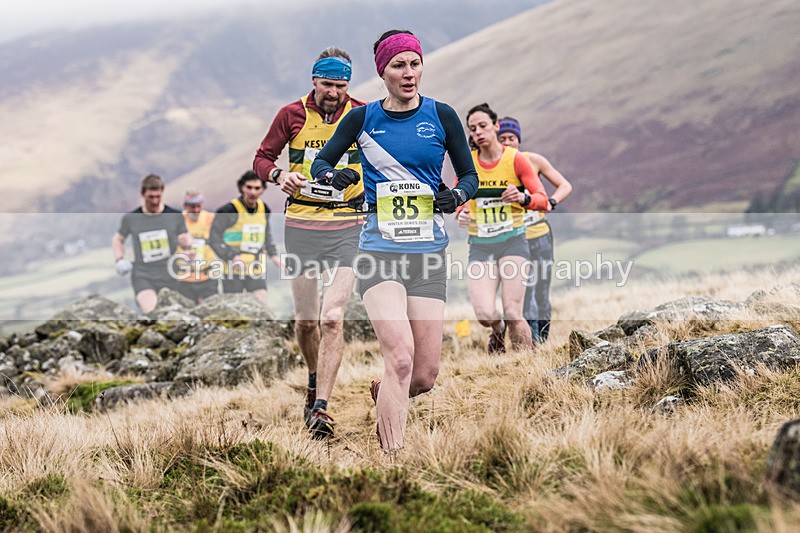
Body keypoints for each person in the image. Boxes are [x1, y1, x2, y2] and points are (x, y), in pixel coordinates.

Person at [310, 29, 479, 451]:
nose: (408, 73)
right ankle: (392, 461)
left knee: (422, 376)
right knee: (400, 359)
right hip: (379, 254)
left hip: (428, 256)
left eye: (414, 64)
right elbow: (320, 162)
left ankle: (384, 391)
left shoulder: (442, 116)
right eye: (398, 65)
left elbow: (470, 176)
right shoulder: (362, 118)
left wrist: (457, 195)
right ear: (382, 73)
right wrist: (332, 175)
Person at [253, 46, 366, 437]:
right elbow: (262, 158)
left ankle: (321, 407)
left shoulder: (362, 113)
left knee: (332, 317)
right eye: (326, 84)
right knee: (305, 322)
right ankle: (314, 377)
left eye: (340, 86)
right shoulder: (291, 114)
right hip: (302, 226)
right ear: (313, 80)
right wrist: (279, 176)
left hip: (348, 224)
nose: (333, 93)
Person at [456, 103, 550, 353]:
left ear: (496, 126)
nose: (478, 132)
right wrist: (461, 213)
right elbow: (459, 199)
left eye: (483, 126)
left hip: (513, 242)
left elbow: (542, 200)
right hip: (481, 245)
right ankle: (498, 330)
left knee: (513, 312)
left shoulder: (515, 160)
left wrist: (522, 198)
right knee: (485, 314)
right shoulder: (467, 163)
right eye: (473, 129)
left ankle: (525, 365)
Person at [498, 117, 573, 343]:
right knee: (525, 292)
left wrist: (551, 202)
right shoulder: (494, 166)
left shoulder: (534, 161)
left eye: (512, 138)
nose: (507, 142)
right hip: (512, 239)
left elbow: (565, 185)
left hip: (540, 236)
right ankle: (531, 344)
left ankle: (542, 341)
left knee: (541, 291)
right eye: (502, 139)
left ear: (519, 140)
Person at [112, 174, 192, 314]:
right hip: (143, 275)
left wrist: (187, 243)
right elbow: (118, 238)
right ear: (143, 194)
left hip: (171, 275)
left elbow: (186, 239)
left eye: (158, 196)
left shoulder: (175, 216)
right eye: (150, 197)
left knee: (174, 314)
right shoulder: (131, 218)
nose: (154, 201)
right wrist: (119, 259)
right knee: (153, 312)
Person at [208, 171, 279, 305]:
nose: (253, 192)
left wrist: (274, 255)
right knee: (236, 308)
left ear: (263, 190)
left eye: (257, 188)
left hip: (255, 266)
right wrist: (232, 256)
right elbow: (214, 239)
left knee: (261, 302)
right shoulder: (228, 210)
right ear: (241, 188)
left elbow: (266, 234)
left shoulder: (264, 209)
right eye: (249, 187)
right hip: (233, 269)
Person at [174, 189, 219, 304]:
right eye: (192, 206)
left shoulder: (210, 218)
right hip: (185, 276)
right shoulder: (178, 220)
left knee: (210, 310)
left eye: (199, 206)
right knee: (187, 311)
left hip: (207, 276)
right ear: (185, 206)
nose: (196, 210)